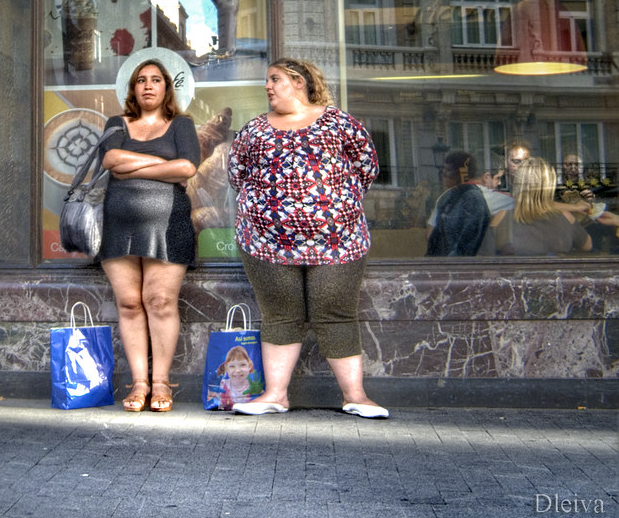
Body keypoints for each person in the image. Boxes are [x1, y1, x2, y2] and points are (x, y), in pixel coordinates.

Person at [228, 58, 386, 418]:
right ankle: (275, 395)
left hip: (338, 241)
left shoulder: (339, 122)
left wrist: (332, 207)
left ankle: (356, 397)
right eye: (267, 80)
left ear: (298, 82)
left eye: (275, 79)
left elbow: (367, 167)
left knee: (335, 312)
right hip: (266, 242)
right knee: (280, 314)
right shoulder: (253, 130)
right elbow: (237, 175)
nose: (267, 86)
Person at [99, 59, 200, 412]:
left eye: (156, 80)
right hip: (118, 226)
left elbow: (188, 167)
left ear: (166, 88)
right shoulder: (117, 124)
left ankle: (161, 384)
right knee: (129, 304)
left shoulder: (181, 125)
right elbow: (110, 159)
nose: (147, 86)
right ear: (132, 89)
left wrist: (135, 167)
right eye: (140, 80)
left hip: (169, 223)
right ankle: (139, 383)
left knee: (159, 302)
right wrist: (163, 169)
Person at [489, 157, 592, 256]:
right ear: (549, 186)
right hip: (556, 273)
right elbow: (587, 246)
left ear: (518, 184)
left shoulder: (501, 217)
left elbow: (485, 257)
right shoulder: (566, 217)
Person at [425, 151, 492, 257]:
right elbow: (435, 239)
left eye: (448, 170)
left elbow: (468, 244)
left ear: (462, 173)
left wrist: (449, 265)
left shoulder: (473, 199)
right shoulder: (447, 197)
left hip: (459, 268)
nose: (443, 174)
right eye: (444, 169)